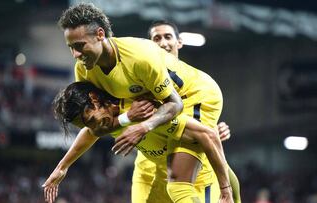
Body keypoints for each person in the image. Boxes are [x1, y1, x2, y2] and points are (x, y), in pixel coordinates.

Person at [53, 3, 232, 202]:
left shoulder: (139, 58)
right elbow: (95, 125)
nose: (76, 55)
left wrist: (143, 126)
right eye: (71, 48)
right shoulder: (85, 70)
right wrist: (62, 167)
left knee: (179, 186)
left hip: (193, 96)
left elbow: (175, 104)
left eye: (79, 46)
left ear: (100, 34)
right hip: (155, 111)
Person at [43, 82, 228, 203]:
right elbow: (90, 133)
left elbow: (205, 134)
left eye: (90, 121)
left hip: (197, 178)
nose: (94, 128)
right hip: (160, 176)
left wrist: (225, 187)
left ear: (94, 100)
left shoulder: (145, 111)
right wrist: (62, 167)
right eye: (87, 125)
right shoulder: (104, 121)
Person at [130, 20, 241, 203]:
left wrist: (211, 130)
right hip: (149, 171)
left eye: (168, 36)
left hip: (191, 173)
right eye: (156, 38)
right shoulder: (142, 80)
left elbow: (202, 128)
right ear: (149, 45)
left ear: (179, 42)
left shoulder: (194, 83)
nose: (163, 43)